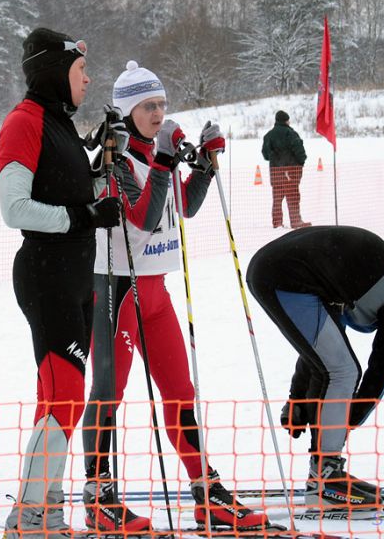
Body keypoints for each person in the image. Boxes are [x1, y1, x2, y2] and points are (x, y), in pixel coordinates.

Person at [80, 61, 269, 535]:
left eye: (161, 104)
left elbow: (182, 205)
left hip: (156, 292)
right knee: (108, 394)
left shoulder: (153, 155)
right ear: (127, 111)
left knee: (181, 394)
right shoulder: (115, 161)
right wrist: (165, 161)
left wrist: (203, 163)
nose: (157, 113)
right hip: (117, 291)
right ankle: (99, 497)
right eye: (147, 106)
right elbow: (142, 218)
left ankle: (207, 492)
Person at [0, 27, 122, 538]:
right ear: (53, 73)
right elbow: (14, 208)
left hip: (72, 276)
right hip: (46, 274)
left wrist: (101, 169)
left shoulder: (58, 123)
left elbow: (76, 193)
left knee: (57, 400)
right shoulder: (23, 123)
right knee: (65, 397)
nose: (88, 80)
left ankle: (44, 512)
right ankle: (29, 518)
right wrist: (85, 214)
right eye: (79, 71)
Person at [246, 225, 384, 508]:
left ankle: (325, 473)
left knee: (337, 365)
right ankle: (326, 479)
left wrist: (298, 399)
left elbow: (321, 348)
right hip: (285, 275)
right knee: (345, 371)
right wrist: (348, 419)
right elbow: (383, 370)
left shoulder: (373, 279)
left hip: (271, 269)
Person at [262, 110, 310, 229]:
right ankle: (296, 221)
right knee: (293, 195)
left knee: (277, 198)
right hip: (290, 170)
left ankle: (277, 223)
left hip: (275, 171)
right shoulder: (291, 133)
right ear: (286, 120)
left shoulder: (268, 135)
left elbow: (266, 154)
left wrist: (276, 158)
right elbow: (299, 150)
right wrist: (301, 161)